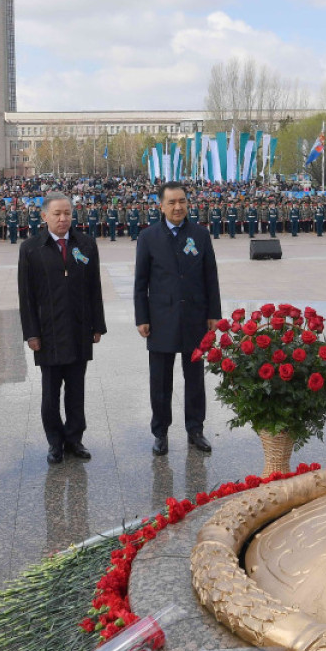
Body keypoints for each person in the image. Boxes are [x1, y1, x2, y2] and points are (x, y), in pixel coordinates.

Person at [18, 192, 107, 464]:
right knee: (50, 392)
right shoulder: (32, 248)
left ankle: (74, 438)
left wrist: (97, 325)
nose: (63, 218)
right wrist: (31, 333)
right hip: (48, 332)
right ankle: (55, 442)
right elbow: (26, 295)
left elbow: (94, 288)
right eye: (57, 214)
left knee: (76, 390)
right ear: (44, 216)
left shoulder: (87, 244)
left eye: (67, 213)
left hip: (79, 328)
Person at [134, 182, 221, 456]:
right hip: (161, 319)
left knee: (195, 378)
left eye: (182, 201)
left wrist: (213, 314)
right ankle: (160, 433)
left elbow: (211, 277)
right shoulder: (148, 237)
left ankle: (195, 429)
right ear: (160, 206)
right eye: (171, 202)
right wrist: (142, 317)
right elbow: (141, 282)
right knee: (160, 381)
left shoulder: (200, 234)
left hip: (195, 318)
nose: (178, 207)